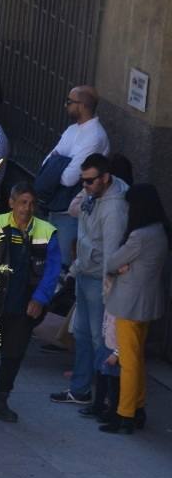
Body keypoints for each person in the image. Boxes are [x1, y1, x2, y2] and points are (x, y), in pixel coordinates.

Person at [50, 154, 127, 406]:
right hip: (85, 270)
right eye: (82, 181)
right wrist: (86, 194)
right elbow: (74, 211)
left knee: (99, 338)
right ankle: (81, 389)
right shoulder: (91, 195)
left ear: (105, 178)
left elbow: (112, 253)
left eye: (90, 181)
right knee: (82, 334)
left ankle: (101, 396)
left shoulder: (114, 207)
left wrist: (108, 289)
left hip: (98, 278)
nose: (85, 186)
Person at [0, 184, 61, 422]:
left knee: (13, 355)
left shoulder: (46, 231)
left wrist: (40, 299)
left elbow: (52, 270)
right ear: (11, 203)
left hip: (24, 305)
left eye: (31, 203)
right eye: (22, 202)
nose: (27, 208)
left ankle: (1, 400)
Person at [100, 183, 171, 434]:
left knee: (128, 363)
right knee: (137, 359)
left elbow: (113, 261)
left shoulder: (139, 236)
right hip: (149, 303)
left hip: (128, 305)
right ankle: (137, 409)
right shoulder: (160, 231)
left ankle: (125, 414)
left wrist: (117, 267)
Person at [36, 86, 109, 268]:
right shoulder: (71, 130)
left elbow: (69, 178)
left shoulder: (95, 136)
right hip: (55, 204)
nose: (65, 105)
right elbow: (45, 164)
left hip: (71, 211)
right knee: (50, 260)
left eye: (69, 102)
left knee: (62, 262)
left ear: (82, 105)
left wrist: (58, 162)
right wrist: (61, 163)